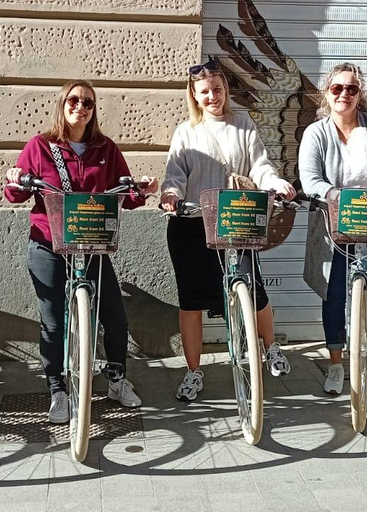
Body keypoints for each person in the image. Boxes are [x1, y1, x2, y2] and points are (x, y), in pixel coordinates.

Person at [4, 79, 158, 423]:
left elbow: (126, 195)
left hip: (93, 245)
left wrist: (144, 189)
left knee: (116, 318)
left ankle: (117, 379)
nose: (81, 107)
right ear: (62, 104)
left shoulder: (106, 148)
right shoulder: (41, 146)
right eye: (74, 100)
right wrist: (15, 178)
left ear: (94, 109)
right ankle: (58, 389)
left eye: (88, 102)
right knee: (53, 322)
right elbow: (16, 194)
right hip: (48, 243)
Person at [160, 57, 296, 401]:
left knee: (255, 290)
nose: (212, 97)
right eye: (204, 91)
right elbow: (174, 173)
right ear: (194, 94)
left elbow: (260, 166)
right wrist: (172, 194)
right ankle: (193, 371)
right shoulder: (185, 132)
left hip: (236, 218)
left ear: (226, 90)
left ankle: (271, 346)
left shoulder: (243, 123)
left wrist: (276, 182)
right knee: (191, 301)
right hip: (192, 222)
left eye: (217, 89)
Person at [299, 62, 367, 397]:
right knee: (333, 292)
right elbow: (310, 180)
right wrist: (334, 196)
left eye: (351, 89)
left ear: (360, 94)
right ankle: (335, 364)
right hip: (333, 223)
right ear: (327, 93)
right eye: (337, 88)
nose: (344, 94)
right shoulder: (315, 133)